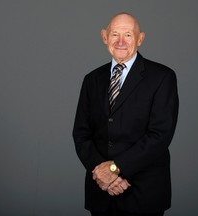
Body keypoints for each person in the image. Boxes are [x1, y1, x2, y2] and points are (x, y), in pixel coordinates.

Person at [72, 12, 179, 216]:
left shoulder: (162, 77)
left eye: (128, 35)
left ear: (140, 38)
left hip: (143, 194)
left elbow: (160, 135)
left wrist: (114, 169)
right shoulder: (92, 80)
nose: (120, 41)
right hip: (101, 194)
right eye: (115, 34)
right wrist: (102, 175)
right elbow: (81, 134)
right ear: (104, 37)